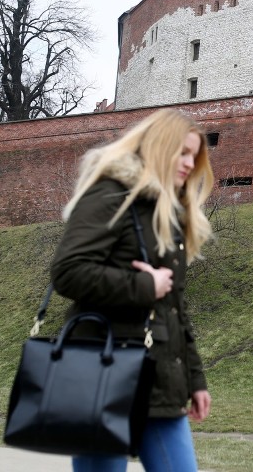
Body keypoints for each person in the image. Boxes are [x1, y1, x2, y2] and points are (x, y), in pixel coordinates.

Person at [51, 109, 214, 472]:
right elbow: (67, 271)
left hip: (160, 380)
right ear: (158, 146)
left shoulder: (169, 213)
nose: (189, 164)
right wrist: (143, 285)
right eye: (182, 152)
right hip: (103, 375)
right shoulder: (110, 193)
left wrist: (195, 380)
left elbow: (174, 308)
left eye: (194, 156)